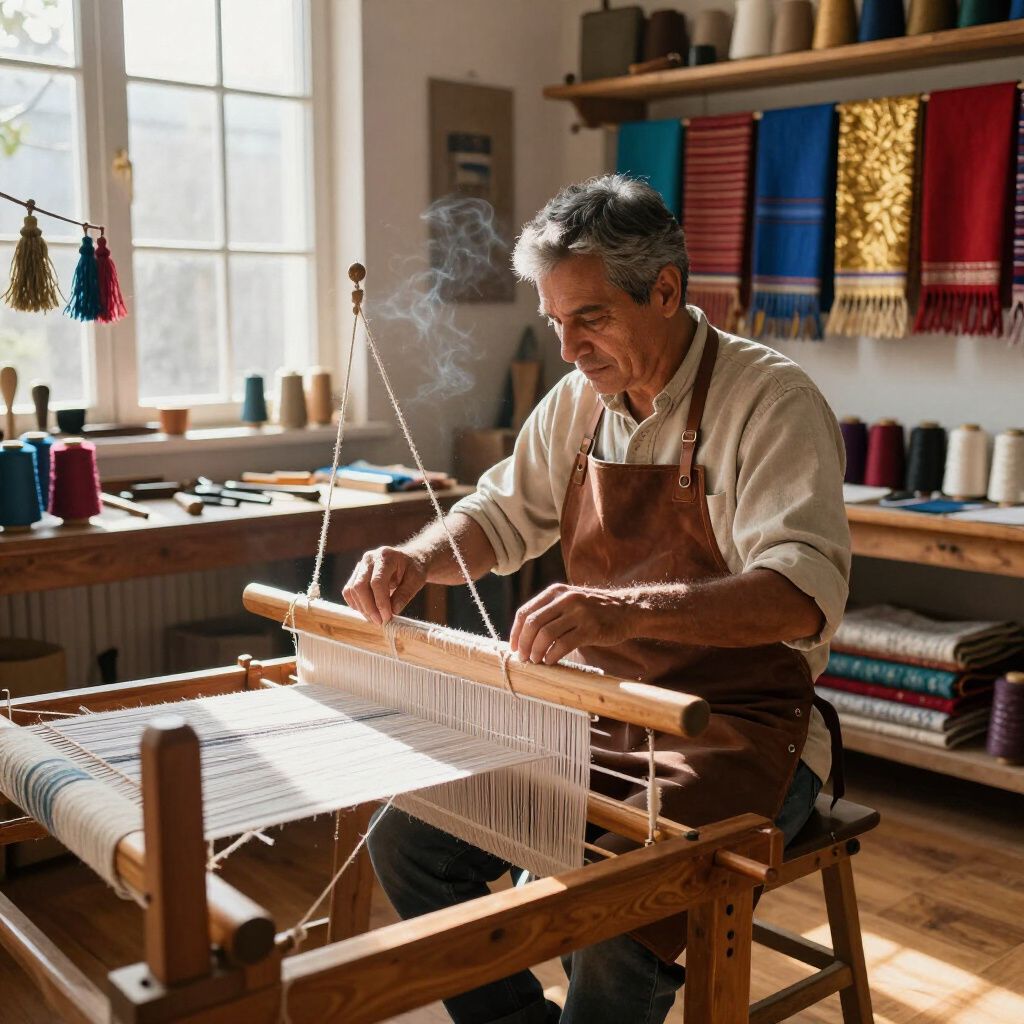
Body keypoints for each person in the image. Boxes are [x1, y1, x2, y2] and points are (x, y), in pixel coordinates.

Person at [343, 174, 851, 1024]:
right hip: (593, 712)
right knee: (406, 839)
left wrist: (618, 613)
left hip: (736, 729)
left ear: (665, 290)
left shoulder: (770, 400)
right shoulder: (582, 401)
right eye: (556, 323)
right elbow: (499, 513)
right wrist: (416, 556)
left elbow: (802, 595)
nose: (570, 348)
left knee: (622, 907)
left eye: (592, 318)